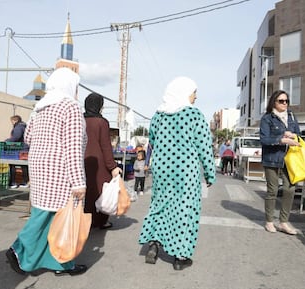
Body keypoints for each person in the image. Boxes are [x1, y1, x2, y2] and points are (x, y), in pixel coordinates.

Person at [5, 67, 88, 276]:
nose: (77, 91)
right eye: (76, 87)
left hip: (39, 165)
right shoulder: (70, 107)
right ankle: (18, 249)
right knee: (49, 216)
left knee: (50, 216)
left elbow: (28, 138)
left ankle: (61, 263)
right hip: (61, 170)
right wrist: (78, 181)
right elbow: (73, 146)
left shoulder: (40, 107)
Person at [138, 76, 216, 271]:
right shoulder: (194, 115)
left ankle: (154, 244)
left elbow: (153, 142)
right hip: (185, 170)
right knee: (184, 208)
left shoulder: (158, 115)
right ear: (184, 92)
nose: (196, 97)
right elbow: (204, 147)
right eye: (194, 92)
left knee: (160, 205)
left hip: (162, 168)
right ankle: (180, 257)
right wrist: (209, 173)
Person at [259, 90, 300, 235]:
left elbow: (298, 135)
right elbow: (264, 140)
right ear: (274, 102)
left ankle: (283, 222)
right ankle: (269, 221)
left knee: (290, 189)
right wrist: (281, 139)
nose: (285, 104)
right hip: (271, 158)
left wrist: (293, 135)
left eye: (286, 101)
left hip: (289, 159)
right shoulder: (267, 118)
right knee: (273, 190)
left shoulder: (291, 116)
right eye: (281, 101)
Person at [83, 92, 121, 230]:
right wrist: (112, 166)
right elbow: (106, 146)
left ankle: (86, 220)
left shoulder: (79, 119)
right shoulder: (102, 122)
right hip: (98, 163)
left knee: (85, 190)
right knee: (101, 191)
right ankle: (101, 221)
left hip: (81, 160)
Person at [5, 115, 29, 188]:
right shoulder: (24, 126)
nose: (11, 123)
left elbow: (16, 137)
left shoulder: (18, 127)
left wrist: (7, 141)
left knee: (13, 164)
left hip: (20, 148)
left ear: (15, 120)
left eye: (12, 121)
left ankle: (13, 182)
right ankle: (25, 182)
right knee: (24, 165)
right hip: (25, 148)